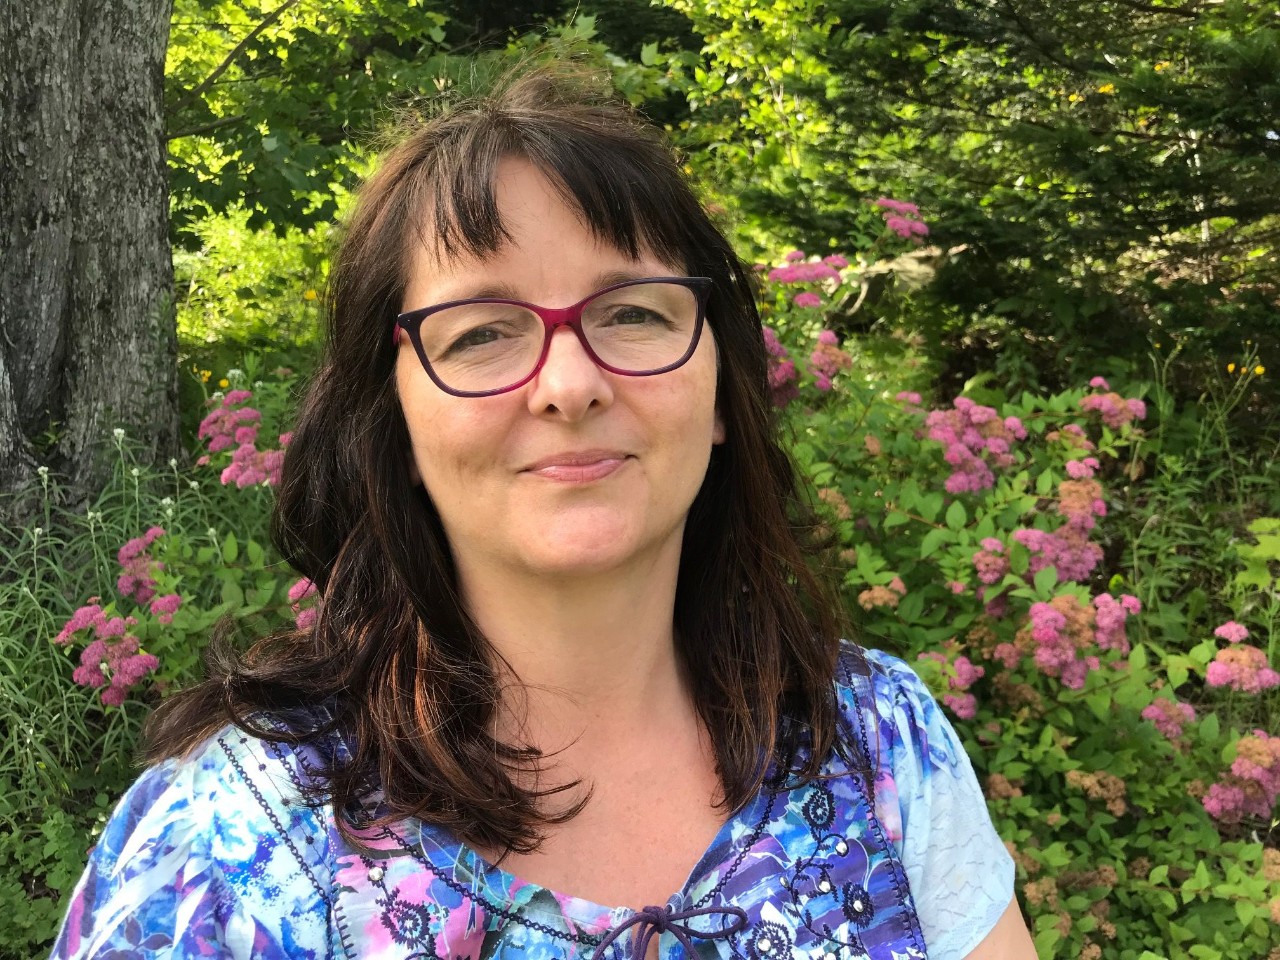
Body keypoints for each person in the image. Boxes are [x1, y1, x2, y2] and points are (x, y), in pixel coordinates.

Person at [51, 62, 1036, 960]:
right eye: (481, 333)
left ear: (721, 392)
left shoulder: (874, 743)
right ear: (391, 422)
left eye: (633, 312)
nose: (568, 385)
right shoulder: (226, 849)